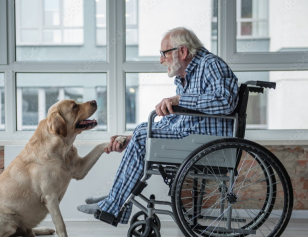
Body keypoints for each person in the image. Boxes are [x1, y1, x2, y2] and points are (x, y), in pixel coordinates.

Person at [77, 27, 238, 224]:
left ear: (183, 51)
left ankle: (113, 203)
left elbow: (226, 102)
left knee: (143, 133)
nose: (161, 60)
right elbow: (178, 118)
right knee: (143, 130)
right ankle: (115, 198)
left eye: (164, 53)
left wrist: (181, 99)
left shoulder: (211, 65)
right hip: (193, 138)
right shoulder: (186, 76)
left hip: (209, 144)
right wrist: (131, 138)